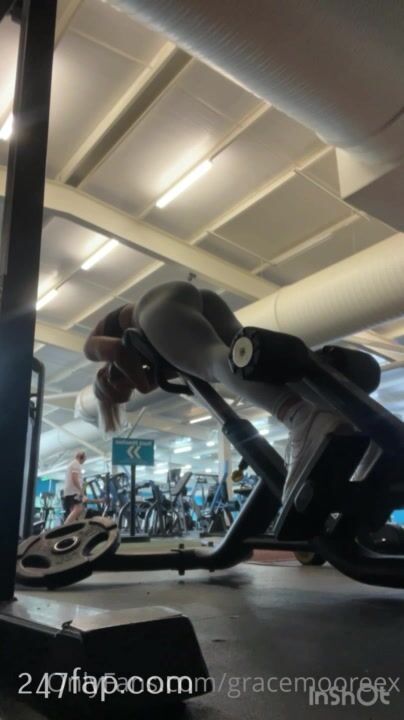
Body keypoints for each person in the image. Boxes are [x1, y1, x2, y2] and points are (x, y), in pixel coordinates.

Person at [83, 282, 347, 503]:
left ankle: (298, 415)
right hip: (196, 299)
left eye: (125, 390)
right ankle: (337, 408)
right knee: (248, 358)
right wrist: (147, 379)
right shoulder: (145, 347)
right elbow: (177, 367)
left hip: (157, 308)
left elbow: (119, 351)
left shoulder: (92, 348)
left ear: (106, 381)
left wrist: (141, 384)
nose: (134, 387)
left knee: (212, 361)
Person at [63, 450, 87, 524]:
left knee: (73, 512)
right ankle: (65, 526)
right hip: (73, 492)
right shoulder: (76, 464)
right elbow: (74, 479)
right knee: (79, 508)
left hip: (69, 492)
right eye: (85, 458)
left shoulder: (72, 464)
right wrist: (81, 491)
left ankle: (69, 528)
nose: (85, 460)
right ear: (81, 457)